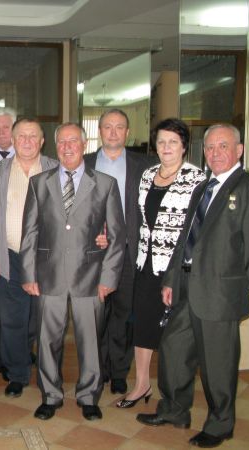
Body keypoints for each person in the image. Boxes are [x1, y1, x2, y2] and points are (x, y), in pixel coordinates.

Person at [137, 124, 249, 448]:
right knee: (173, 348)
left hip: (218, 295)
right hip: (186, 287)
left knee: (217, 363)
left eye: (223, 146)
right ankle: (174, 410)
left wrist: (232, 286)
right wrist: (172, 279)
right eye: (210, 147)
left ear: (239, 151)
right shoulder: (203, 187)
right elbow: (185, 239)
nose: (215, 153)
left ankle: (220, 424)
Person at [21, 122, 125, 421]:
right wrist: (28, 274)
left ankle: (89, 396)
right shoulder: (39, 183)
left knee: (90, 341)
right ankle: (50, 395)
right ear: (56, 147)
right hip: (48, 275)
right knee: (47, 341)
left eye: (73, 142)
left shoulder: (105, 184)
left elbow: (116, 236)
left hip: (90, 277)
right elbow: (30, 232)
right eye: (62, 142)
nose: (67, 147)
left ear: (84, 145)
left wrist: (109, 278)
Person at [116, 118, 206, 409]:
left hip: (176, 266)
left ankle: (174, 395)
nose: (166, 147)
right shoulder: (147, 175)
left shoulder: (196, 179)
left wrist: (178, 270)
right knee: (143, 325)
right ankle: (141, 384)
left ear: (184, 146)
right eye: (162, 142)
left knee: (173, 334)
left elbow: (196, 229)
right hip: (146, 262)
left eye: (173, 142)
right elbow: (140, 220)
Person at [0, 117, 58, 398]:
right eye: (21, 136)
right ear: (12, 141)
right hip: (9, 256)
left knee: (40, 318)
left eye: (33, 136)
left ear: (42, 141)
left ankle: (41, 366)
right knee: (12, 318)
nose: (27, 141)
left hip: (47, 259)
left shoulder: (57, 170)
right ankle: (17, 373)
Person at [84, 108, 154, 395]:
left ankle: (119, 371)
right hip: (93, 254)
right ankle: (98, 369)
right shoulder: (83, 163)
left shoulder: (146, 165)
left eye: (119, 127)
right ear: (99, 131)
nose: (113, 132)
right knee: (95, 316)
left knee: (124, 315)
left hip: (128, 252)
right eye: (107, 126)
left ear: (127, 132)